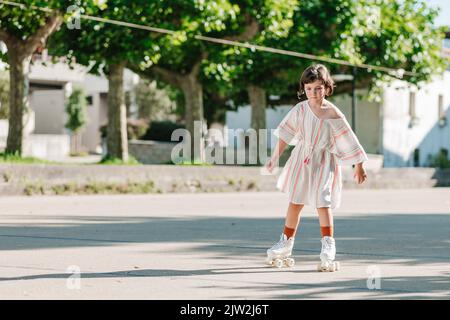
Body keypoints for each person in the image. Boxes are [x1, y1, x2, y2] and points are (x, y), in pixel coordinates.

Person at [265, 64, 368, 272]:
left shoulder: (333, 113)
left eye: (318, 88)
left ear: (327, 88)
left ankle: (328, 244)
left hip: (324, 161)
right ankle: (286, 242)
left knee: (323, 202)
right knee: (296, 201)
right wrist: (274, 158)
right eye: (309, 88)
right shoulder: (300, 109)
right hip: (301, 159)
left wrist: (359, 165)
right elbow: (285, 134)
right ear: (303, 88)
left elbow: (349, 139)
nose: (313, 93)